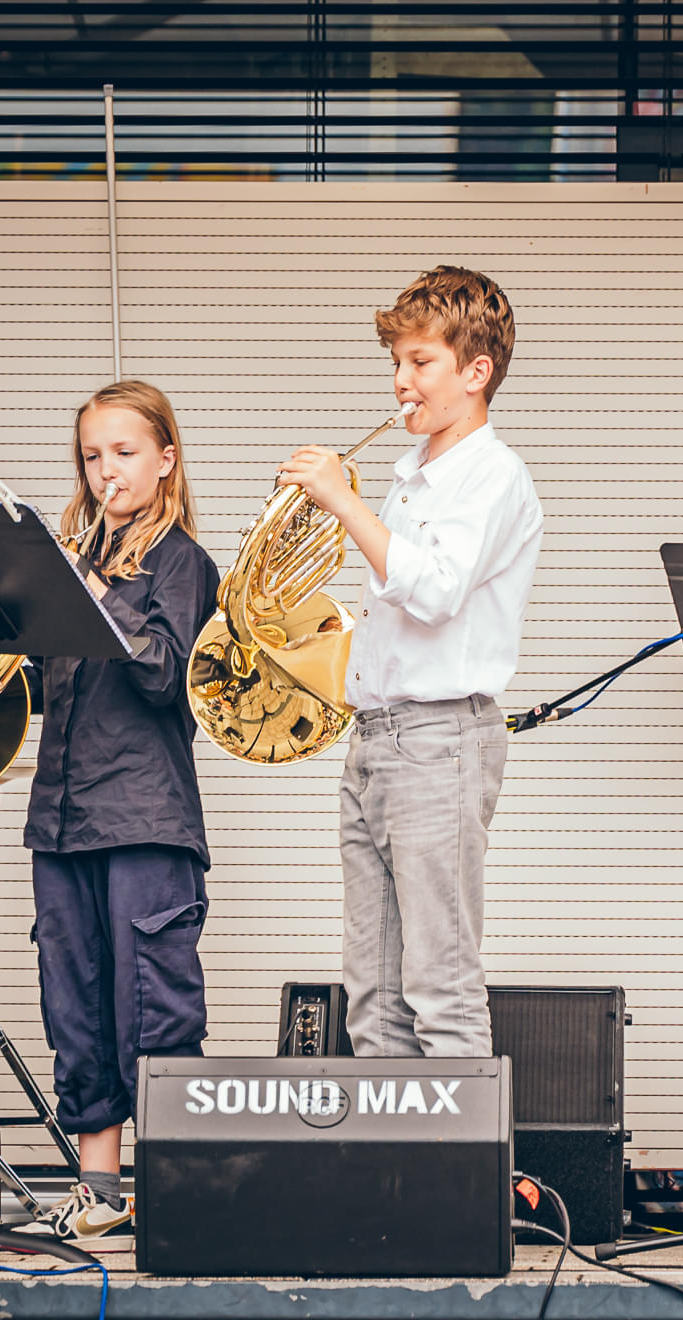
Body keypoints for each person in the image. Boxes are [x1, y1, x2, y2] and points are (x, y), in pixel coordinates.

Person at [277, 266, 544, 1058]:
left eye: (420, 362)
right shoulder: (411, 477)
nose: (401, 381)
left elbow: (433, 591)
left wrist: (344, 502)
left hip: (438, 740)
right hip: (378, 738)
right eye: (396, 361)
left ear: (475, 372)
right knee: (373, 996)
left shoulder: (492, 474)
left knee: (441, 986)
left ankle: (454, 1186)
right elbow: (396, 612)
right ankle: (388, 1180)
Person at [21, 380, 221, 1241]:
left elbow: (165, 673)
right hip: (60, 815)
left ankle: (180, 1192)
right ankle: (98, 1193)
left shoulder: (182, 561)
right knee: (77, 1005)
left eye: (125, 452)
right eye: (92, 456)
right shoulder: (74, 560)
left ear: (166, 458)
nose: (107, 471)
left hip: (144, 813)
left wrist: (86, 595)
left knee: (154, 1003)